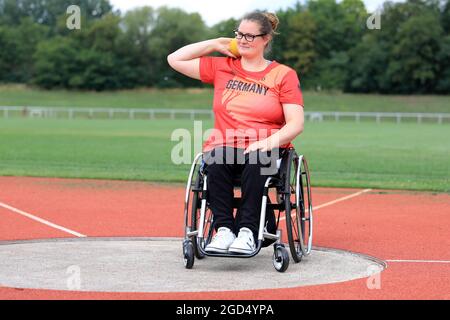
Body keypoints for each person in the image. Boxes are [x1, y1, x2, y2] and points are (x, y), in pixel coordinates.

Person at [168, 11, 304, 254]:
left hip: (265, 146)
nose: (243, 40)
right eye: (239, 34)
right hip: (225, 145)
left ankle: (248, 232)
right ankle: (223, 230)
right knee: (216, 160)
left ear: (266, 39)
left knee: (256, 160)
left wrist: (267, 142)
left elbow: (295, 124)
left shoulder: (283, 75)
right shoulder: (222, 67)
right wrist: (213, 44)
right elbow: (174, 59)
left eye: (250, 36)